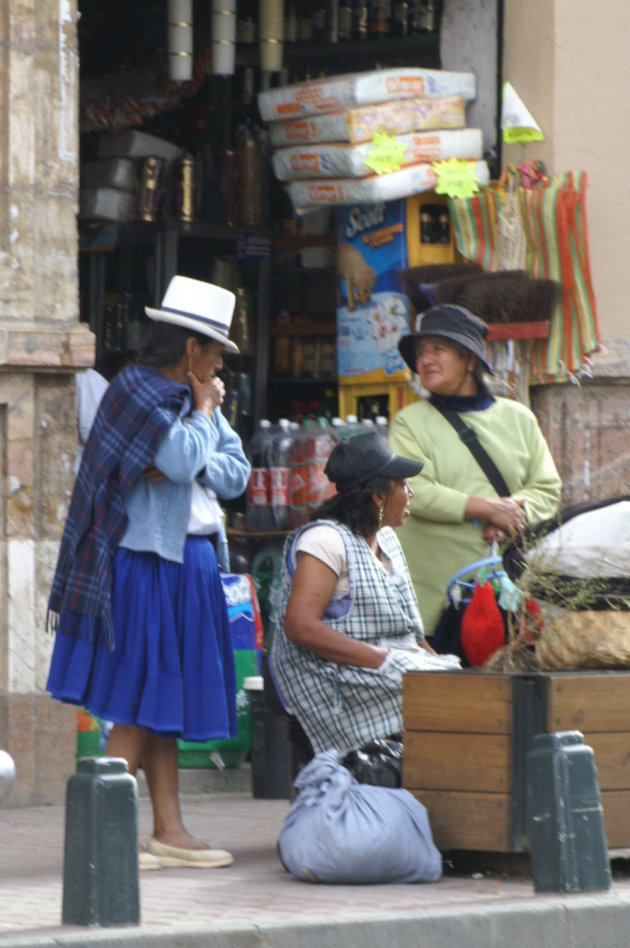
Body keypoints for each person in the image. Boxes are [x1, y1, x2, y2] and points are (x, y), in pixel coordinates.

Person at [46, 275, 251, 870]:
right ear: (191, 348)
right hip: (143, 563)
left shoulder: (190, 402)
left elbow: (232, 475)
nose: (217, 366)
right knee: (139, 696)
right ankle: (99, 835)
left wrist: (193, 441)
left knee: (164, 700)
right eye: (215, 351)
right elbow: (179, 459)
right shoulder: (136, 391)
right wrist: (200, 426)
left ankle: (170, 831)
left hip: (190, 563)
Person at [269, 432, 460, 758]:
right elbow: (299, 627)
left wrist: (430, 660)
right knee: (440, 698)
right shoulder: (325, 541)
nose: (410, 493)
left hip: (379, 668)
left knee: (457, 681)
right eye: (402, 485)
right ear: (379, 498)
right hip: (329, 679)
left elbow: (408, 633)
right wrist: (383, 660)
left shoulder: (388, 542)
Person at [389, 303, 562, 640]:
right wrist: (486, 508)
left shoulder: (519, 418)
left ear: (469, 360)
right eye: (421, 352)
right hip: (435, 594)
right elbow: (414, 490)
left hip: (508, 585)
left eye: (438, 349)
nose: (425, 359)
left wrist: (512, 517)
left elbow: (547, 489)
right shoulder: (409, 422)